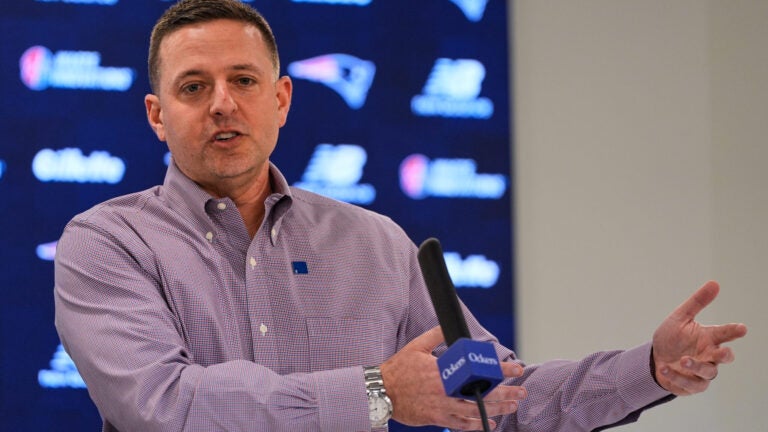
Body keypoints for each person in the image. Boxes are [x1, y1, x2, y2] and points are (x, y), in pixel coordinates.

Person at [53, 0, 747, 431]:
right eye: (194, 87)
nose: (223, 104)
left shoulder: (374, 244)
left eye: (243, 81)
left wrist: (649, 369)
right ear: (156, 115)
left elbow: (500, 399)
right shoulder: (107, 244)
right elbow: (164, 407)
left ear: (283, 99)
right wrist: (379, 392)